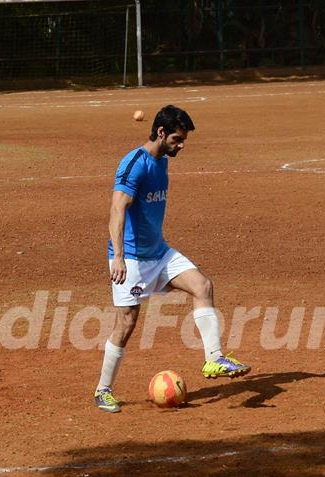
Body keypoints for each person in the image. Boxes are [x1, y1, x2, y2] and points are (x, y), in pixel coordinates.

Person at [94, 105, 251, 413]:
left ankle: (213, 359)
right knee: (126, 323)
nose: (182, 146)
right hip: (133, 258)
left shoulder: (162, 161)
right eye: (178, 139)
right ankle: (103, 389)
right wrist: (119, 258)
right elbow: (117, 210)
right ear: (161, 133)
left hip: (160, 252)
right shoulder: (134, 164)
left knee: (202, 286)